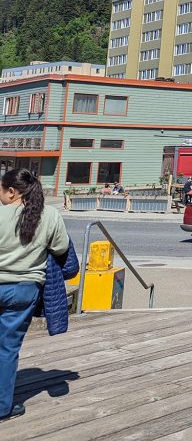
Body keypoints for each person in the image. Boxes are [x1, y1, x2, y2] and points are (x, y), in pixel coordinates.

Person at [0, 168, 71, 423]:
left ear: (11, 191)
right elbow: (61, 247)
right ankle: (2, 407)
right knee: (7, 348)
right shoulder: (49, 215)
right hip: (24, 289)